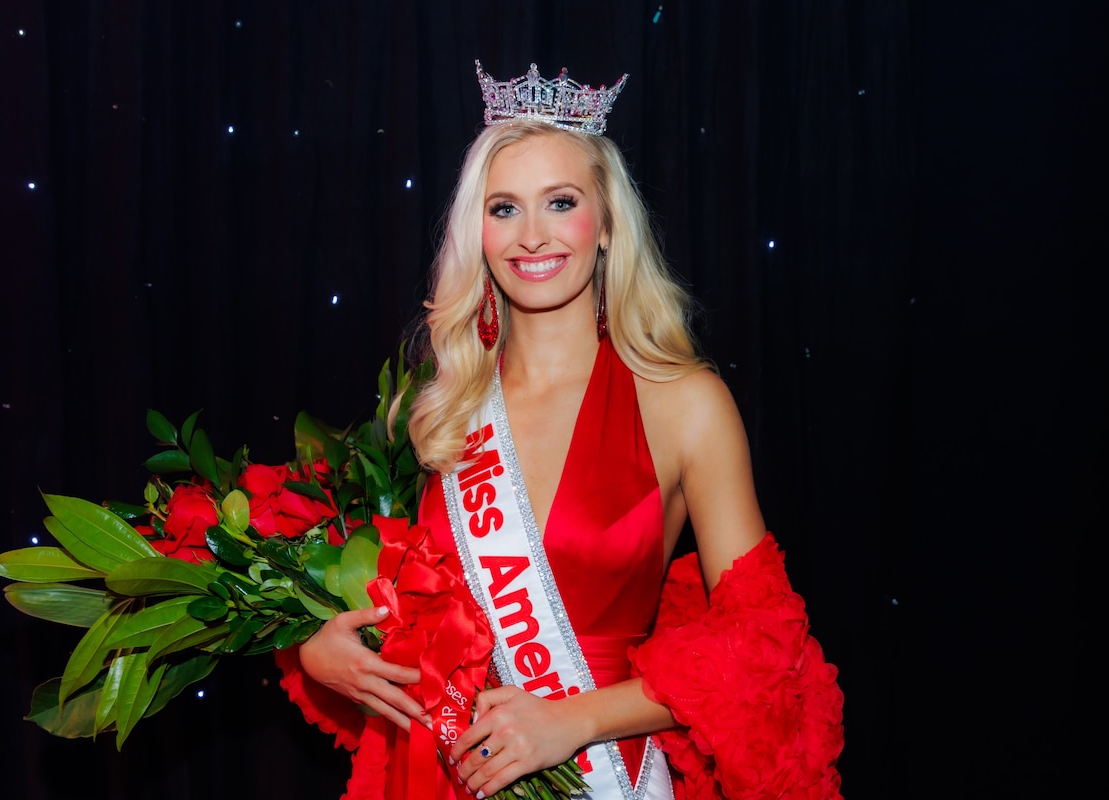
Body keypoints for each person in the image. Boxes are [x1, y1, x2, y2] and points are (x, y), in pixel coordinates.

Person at [275, 61, 844, 800]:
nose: (532, 235)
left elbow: (762, 648)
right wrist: (317, 650)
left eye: (561, 202)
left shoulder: (684, 402)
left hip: (604, 774)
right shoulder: (441, 403)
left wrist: (573, 721)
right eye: (504, 207)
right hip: (450, 773)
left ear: (606, 224)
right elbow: (408, 607)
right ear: (475, 230)